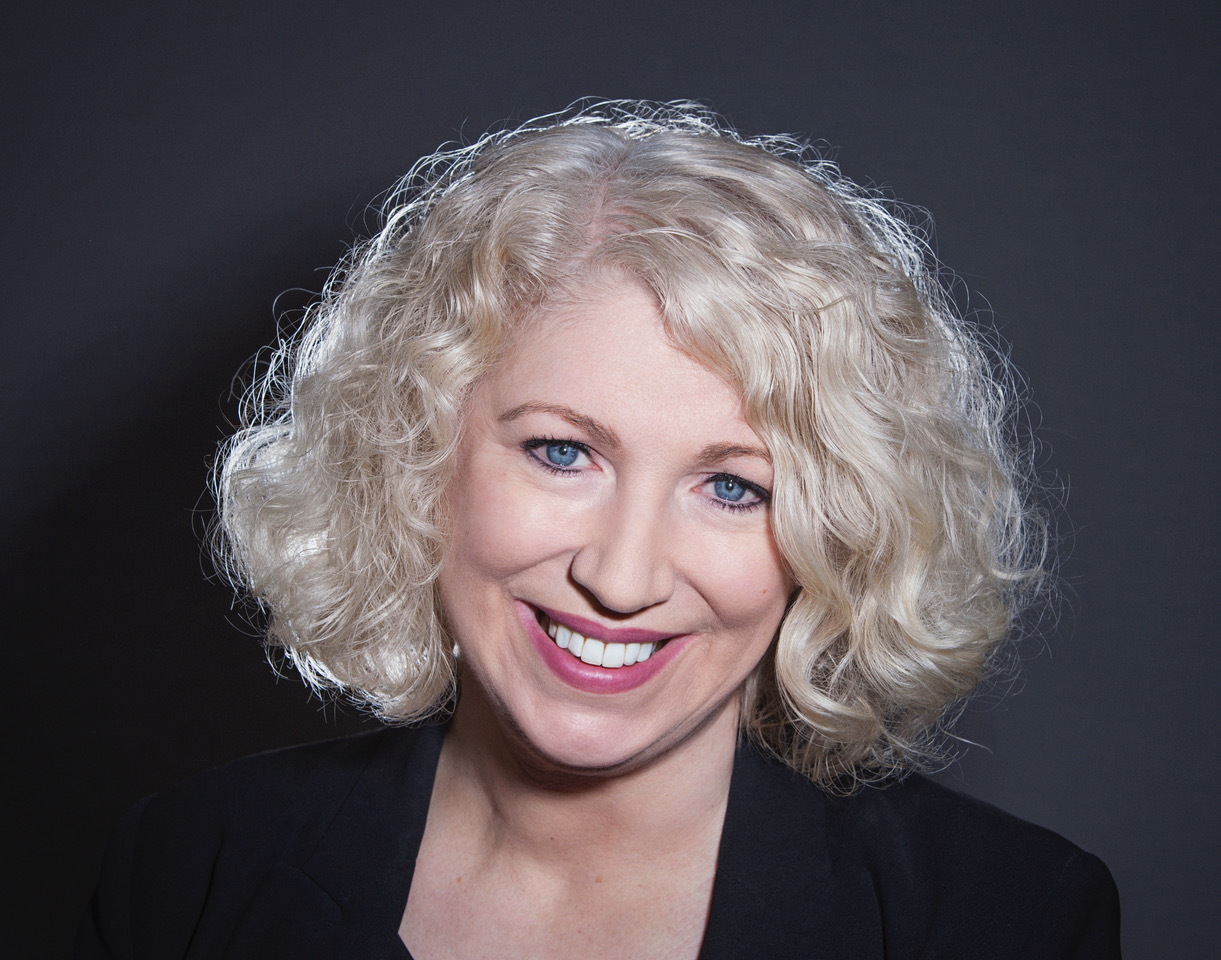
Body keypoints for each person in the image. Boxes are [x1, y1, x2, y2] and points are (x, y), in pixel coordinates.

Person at [78, 101, 1121, 959]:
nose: (621, 580)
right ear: (413, 457)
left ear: (840, 532)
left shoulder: (1007, 920)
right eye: (561, 453)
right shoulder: (188, 872)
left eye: (733, 488)